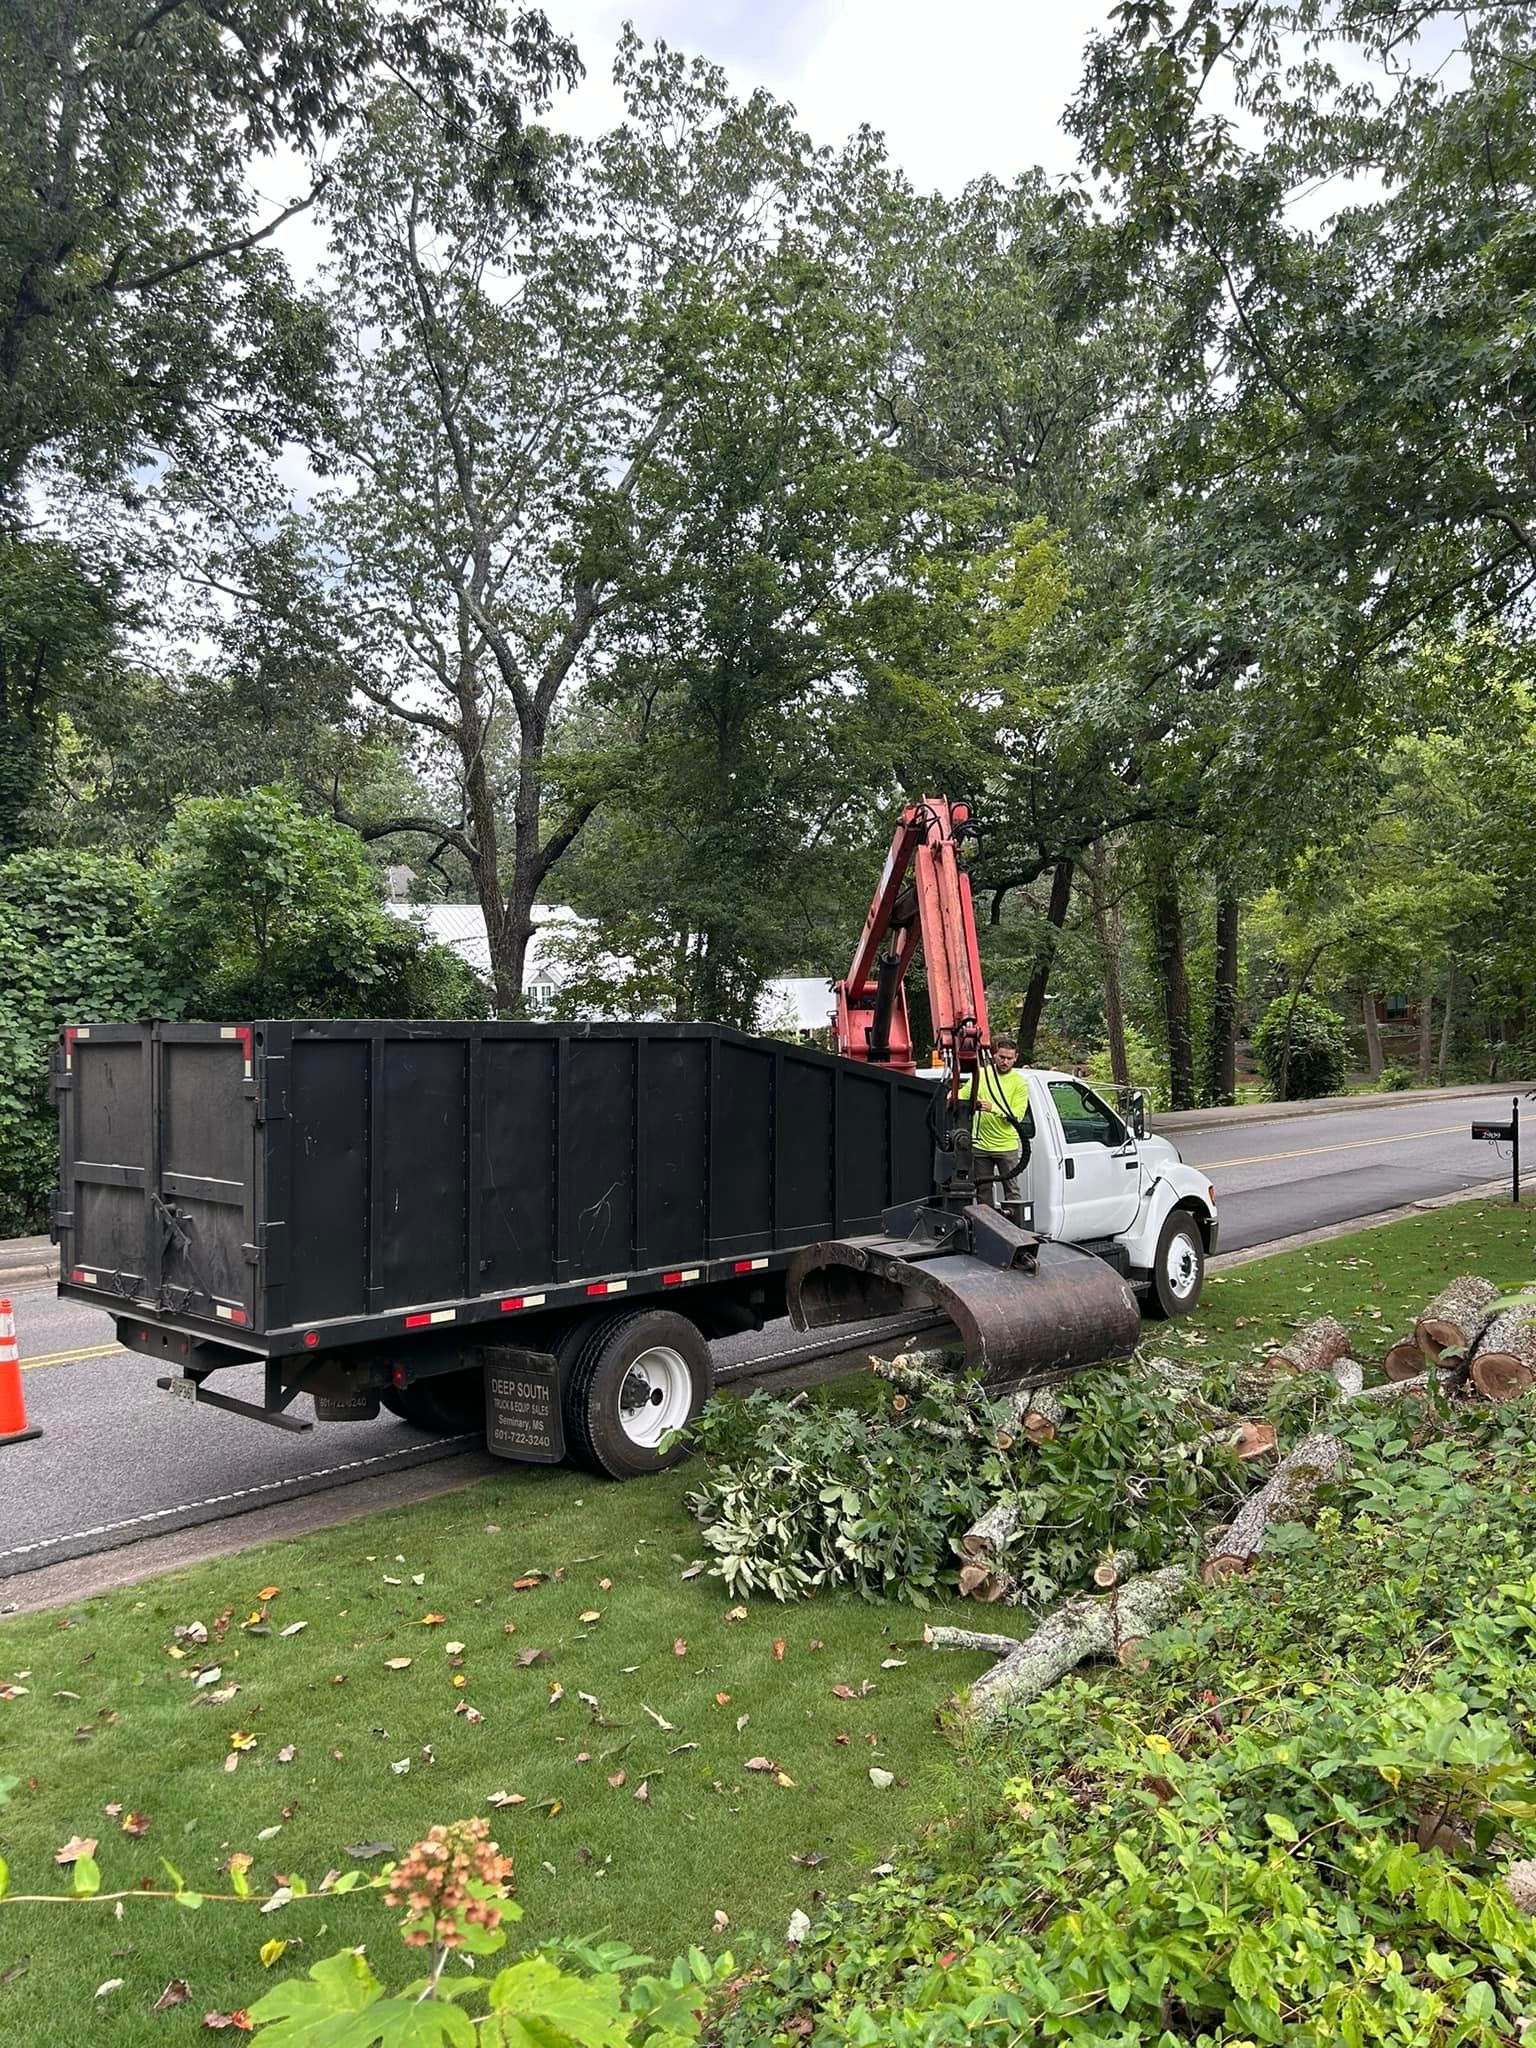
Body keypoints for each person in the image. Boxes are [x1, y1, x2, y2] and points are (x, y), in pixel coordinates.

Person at [959, 1036, 1031, 1209]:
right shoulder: (982, 1074)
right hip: (981, 1146)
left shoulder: (1019, 1083)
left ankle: (1014, 1230)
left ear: (1016, 1058)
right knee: (982, 1190)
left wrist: (993, 1108)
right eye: (1001, 1057)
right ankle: (988, 1227)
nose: (1005, 1062)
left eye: (1009, 1058)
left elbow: (1017, 1115)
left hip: (1006, 1146)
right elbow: (963, 1095)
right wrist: (951, 1096)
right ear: (994, 1055)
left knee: (1012, 1190)